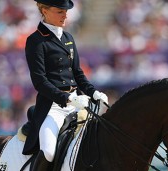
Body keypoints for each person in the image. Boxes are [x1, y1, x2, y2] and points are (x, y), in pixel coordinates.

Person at [22, 0, 108, 170]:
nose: (65, 15)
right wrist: (66, 98)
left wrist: (94, 92)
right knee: (48, 151)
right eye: (59, 11)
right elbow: (40, 81)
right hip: (52, 106)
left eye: (66, 11)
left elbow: (78, 73)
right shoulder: (36, 41)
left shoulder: (68, 38)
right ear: (44, 11)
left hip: (77, 102)